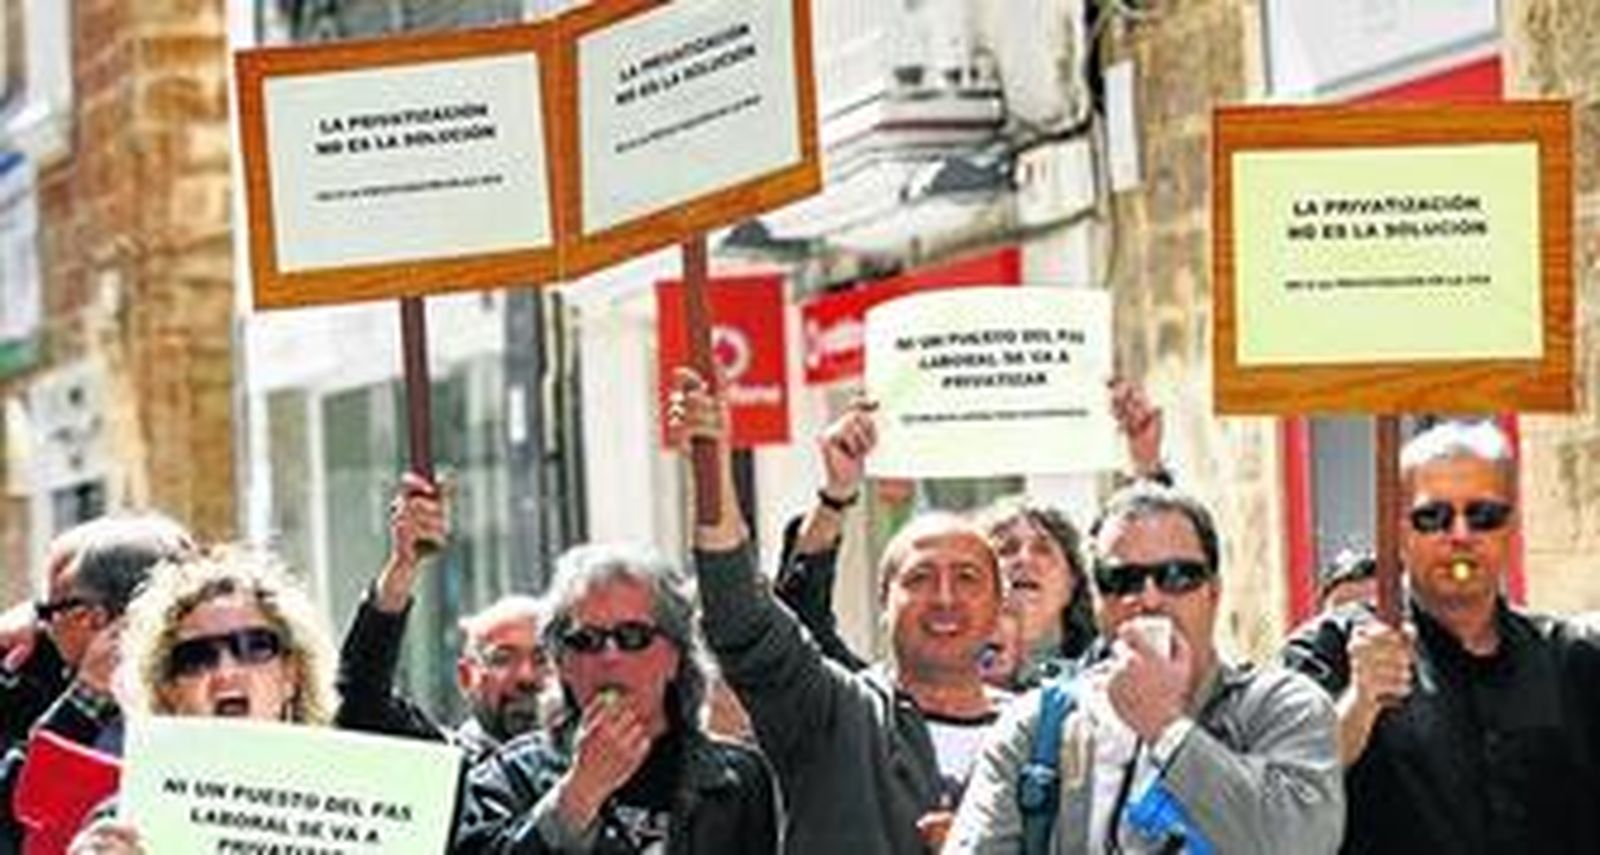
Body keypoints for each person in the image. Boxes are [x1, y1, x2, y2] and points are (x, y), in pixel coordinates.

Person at [672, 368, 1006, 854]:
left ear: (1000, 609)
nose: (945, 597)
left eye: (968, 578)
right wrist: (713, 467)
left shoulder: (1046, 731)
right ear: (884, 605)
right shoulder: (836, 715)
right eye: (919, 578)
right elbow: (742, 617)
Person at [947, 483, 1344, 854]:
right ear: (1096, 597)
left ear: (1214, 591)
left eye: (1177, 576)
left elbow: (1300, 841)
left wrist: (1167, 730)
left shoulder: (1282, 707)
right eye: (1122, 579)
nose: (1149, 599)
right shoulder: (1038, 724)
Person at [1282, 420, 1600, 854]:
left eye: (1483, 516)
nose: (1460, 536)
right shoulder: (1332, 647)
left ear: (1511, 527)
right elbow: (1282, 795)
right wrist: (1359, 702)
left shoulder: (1573, 659)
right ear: (1398, 531)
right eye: (1434, 517)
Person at [775, 380, 1166, 690]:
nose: (1023, 559)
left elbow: (1160, 594)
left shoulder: (1116, 684)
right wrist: (836, 494)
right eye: (1005, 549)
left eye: (1044, 549)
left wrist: (1144, 465)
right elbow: (799, 631)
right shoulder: (892, 706)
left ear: (1074, 585)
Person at [456, 542, 778, 854]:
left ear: (674, 656)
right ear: (562, 664)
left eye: (632, 637)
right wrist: (575, 798)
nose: (610, 657)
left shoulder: (736, 781)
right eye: (586, 640)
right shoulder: (510, 777)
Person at [66, 544, 341, 853]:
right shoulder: (131, 822)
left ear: (291, 675)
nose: (226, 672)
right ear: (168, 691)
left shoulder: (356, 803)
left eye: (254, 647)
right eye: (196, 657)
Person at [1, 513, 194, 850]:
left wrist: (85, 699)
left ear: (88, 618)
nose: (42, 626)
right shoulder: (33, 672)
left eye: (47, 612)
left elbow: (19, 819)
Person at [455, 595, 552, 762]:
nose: (526, 676)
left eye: (541, 659)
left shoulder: (591, 760)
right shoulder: (441, 767)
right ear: (467, 676)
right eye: (503, 659)